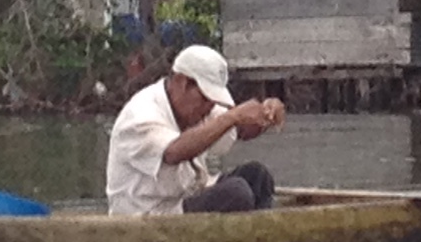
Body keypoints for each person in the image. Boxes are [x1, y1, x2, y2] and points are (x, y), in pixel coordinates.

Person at [106, 43, 289, 216]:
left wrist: (266, 115)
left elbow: (241, 130)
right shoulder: (140, 114)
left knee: (257, 176)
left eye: (212, 103)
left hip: (186, 198)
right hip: (150, 215)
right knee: (236, 192)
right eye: (206, 100)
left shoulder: (201, 107)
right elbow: (173, 152)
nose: (209, 109)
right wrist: (232, 116)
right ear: (183, 83)